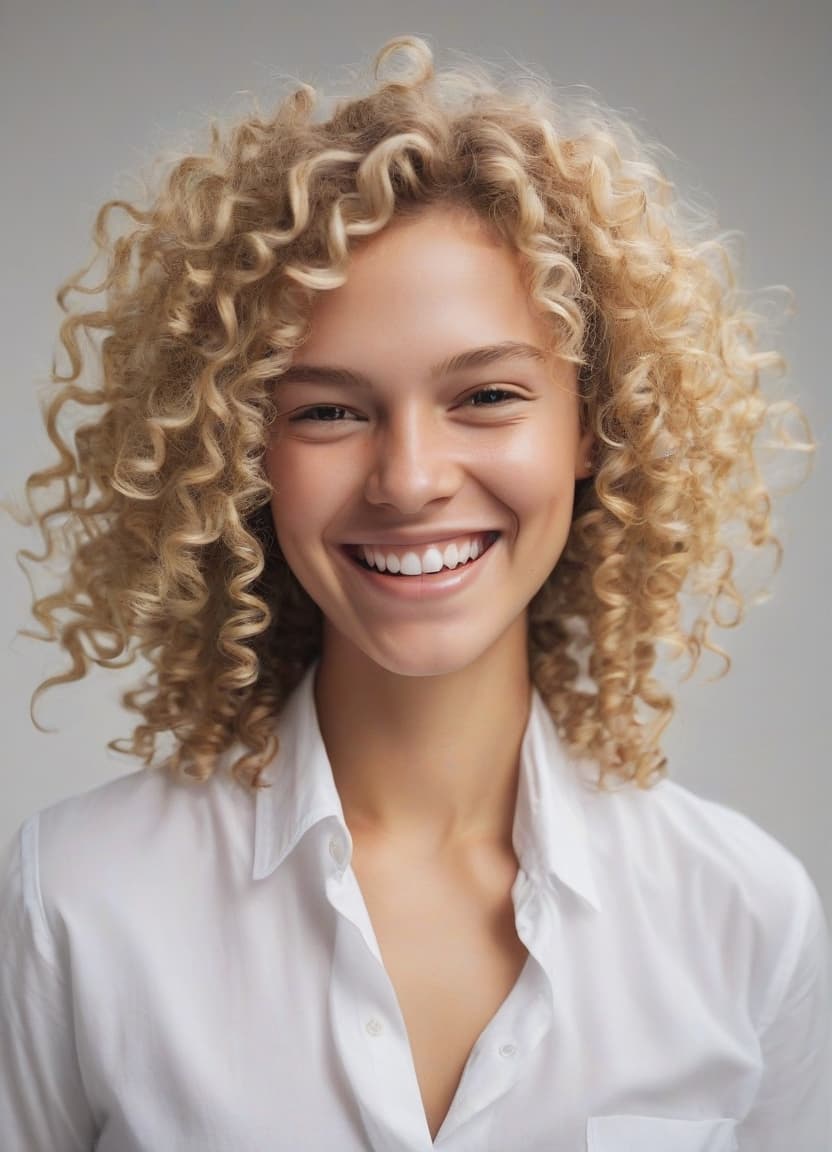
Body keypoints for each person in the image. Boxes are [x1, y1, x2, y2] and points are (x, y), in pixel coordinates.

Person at [0, 33, 828, 1152]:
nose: (410, 480)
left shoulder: (744, 919)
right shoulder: (80, 899)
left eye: (485, 395)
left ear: (592, 425)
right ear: (243, 451)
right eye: (327, 410)